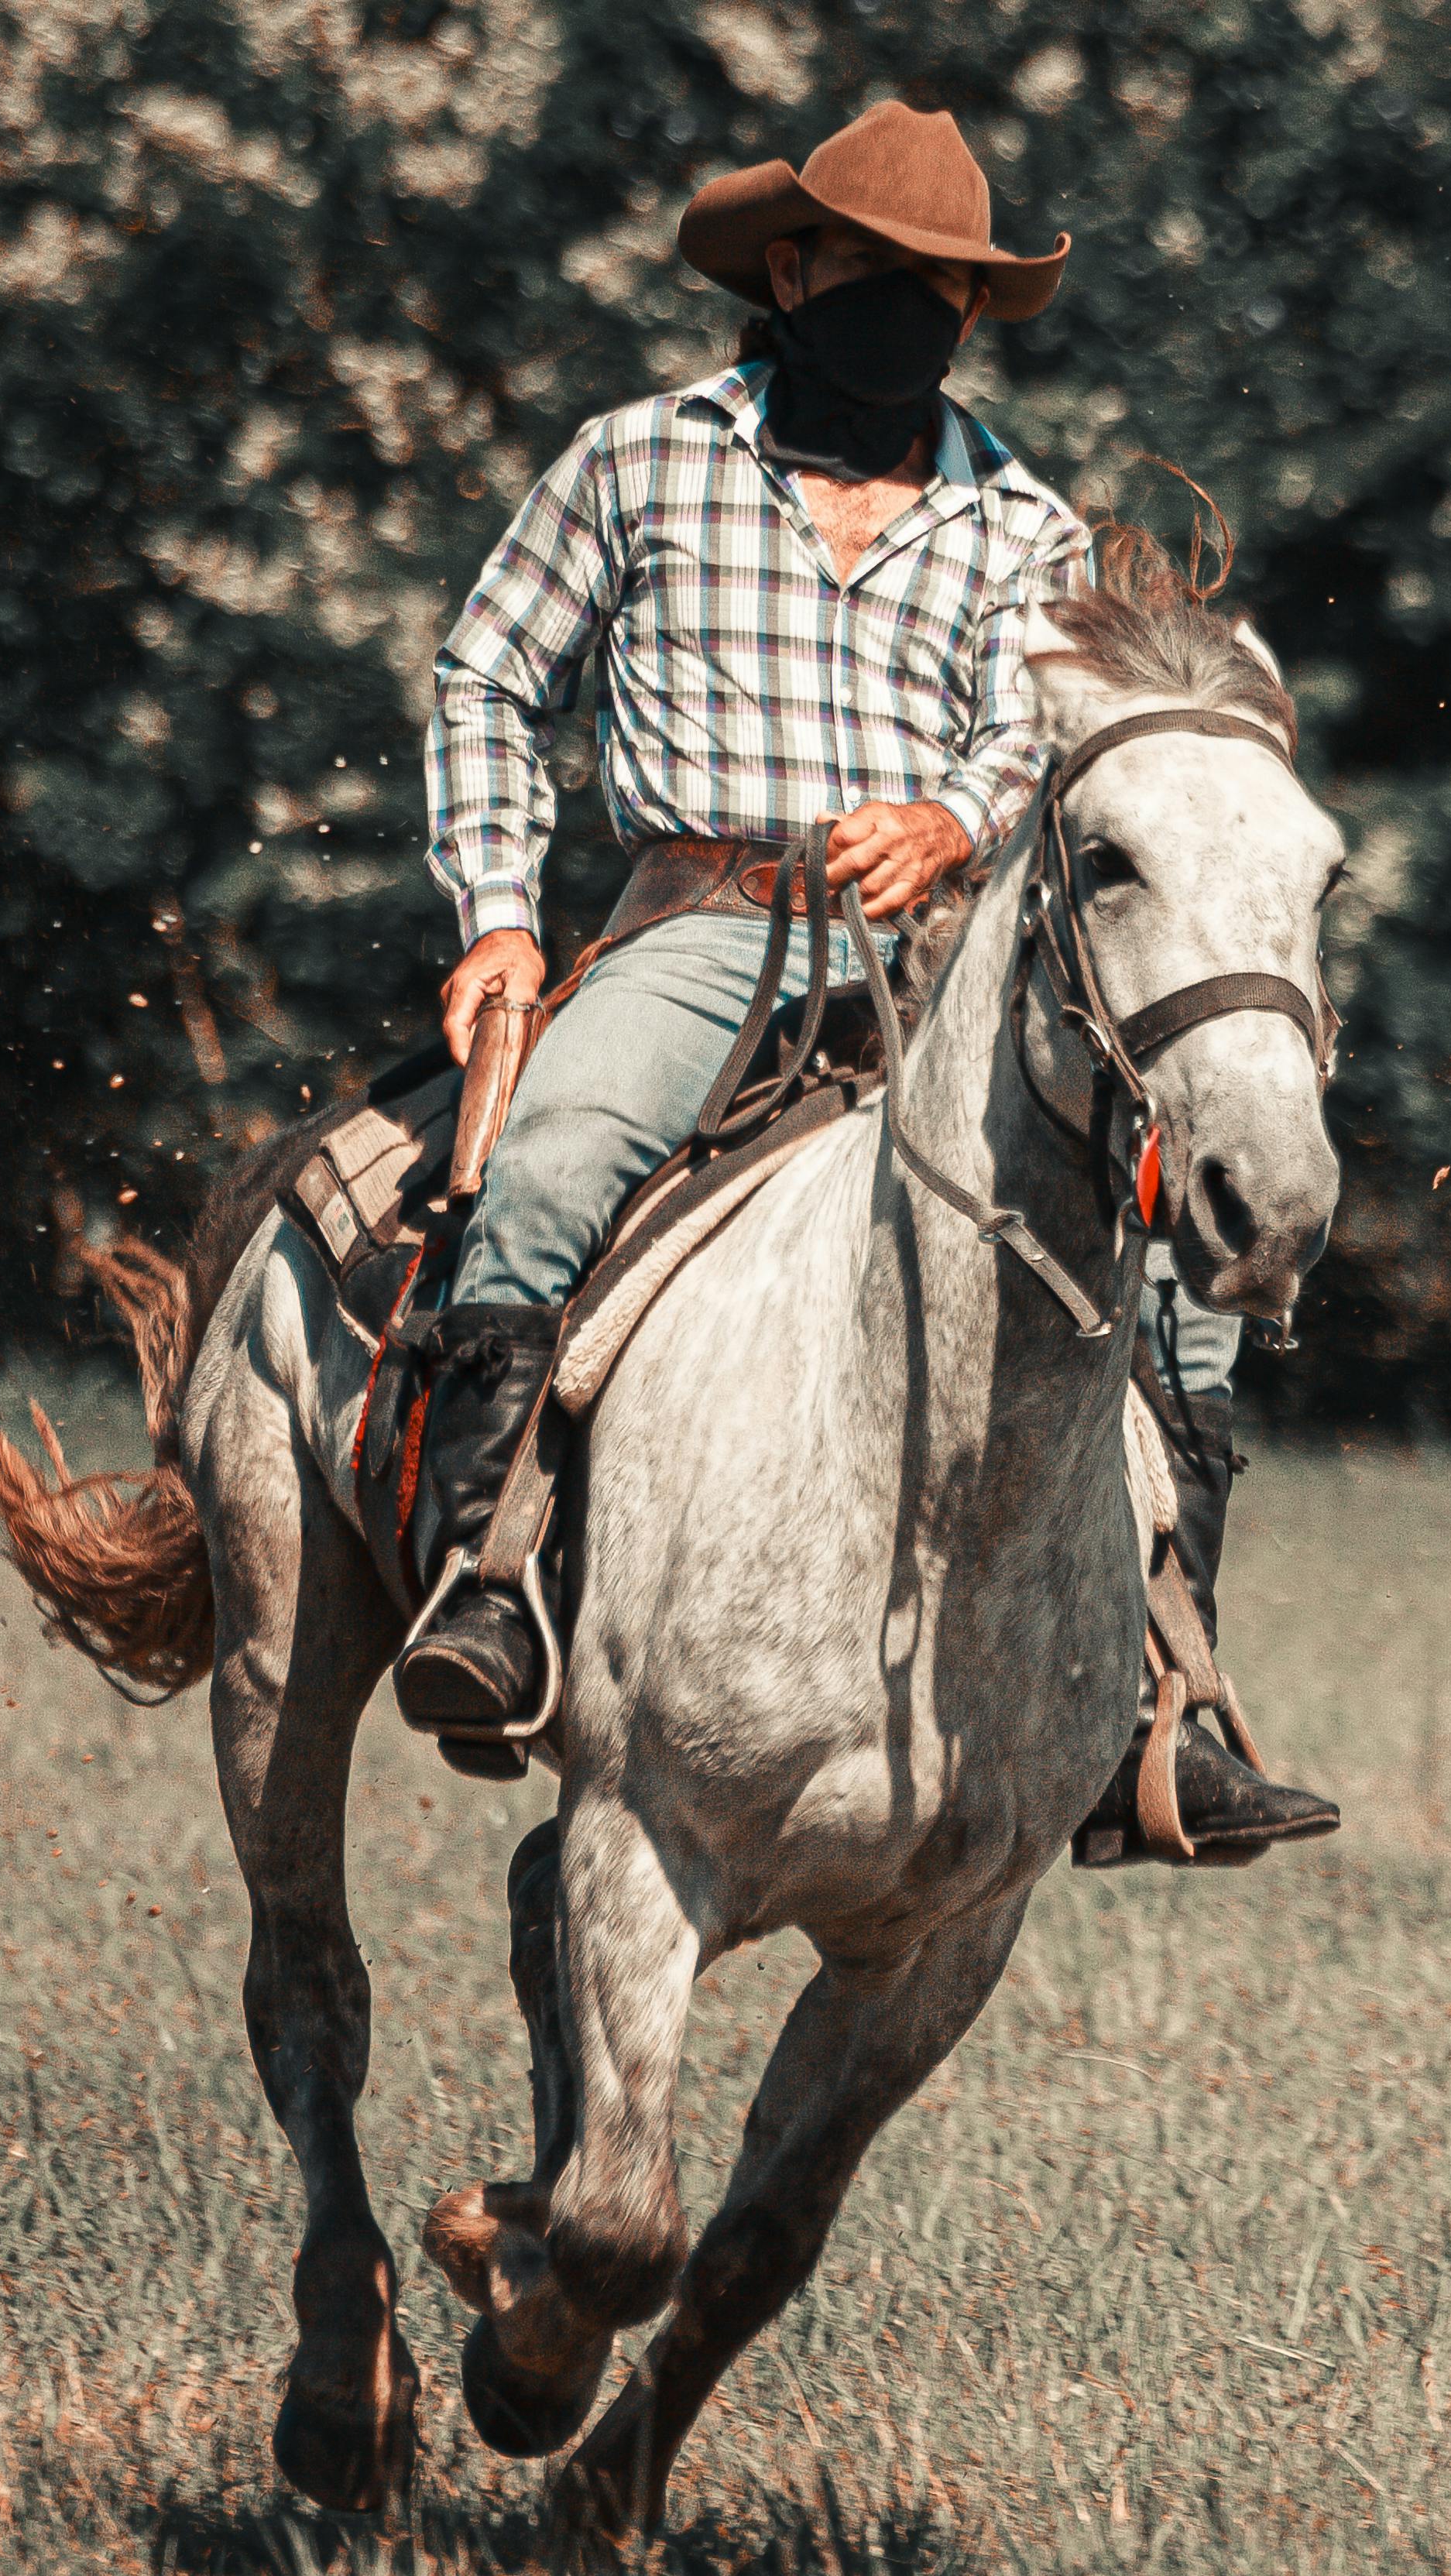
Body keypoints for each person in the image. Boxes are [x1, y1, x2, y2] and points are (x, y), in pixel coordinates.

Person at [394, 101, 1334, 1860]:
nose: (910, 308)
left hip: (943, 955)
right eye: (878, 272)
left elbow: (1037, 744)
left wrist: (949, 813)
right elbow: (482, 679)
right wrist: (501, 915)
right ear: (792, 268)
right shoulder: (632, 458)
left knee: (1184, 1278)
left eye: (944, 286)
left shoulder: (1024, 524)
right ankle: (488, 1585)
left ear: (975, 314)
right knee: (548, 1160)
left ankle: (1160, 1711)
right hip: (701, 925)